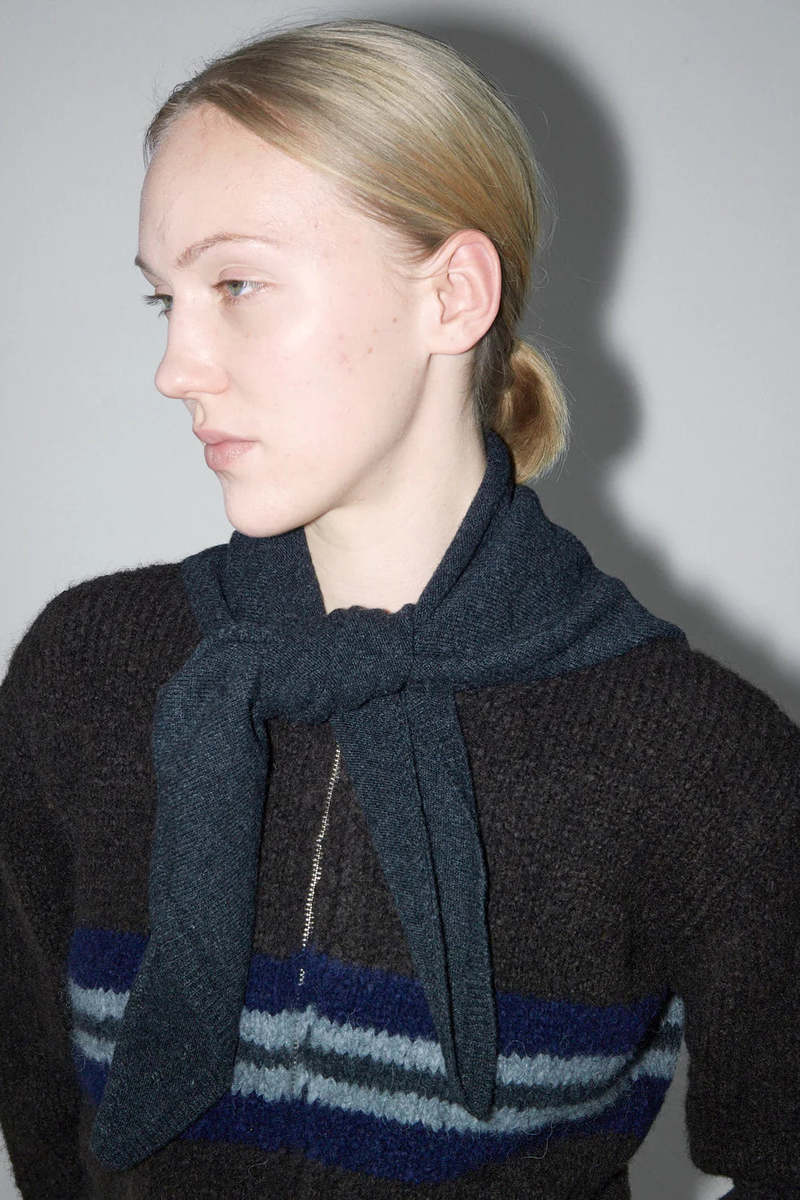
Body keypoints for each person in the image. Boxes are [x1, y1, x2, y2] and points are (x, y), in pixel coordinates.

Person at [0, 16, 797, 1200]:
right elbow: (40, 1103)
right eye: (165, 300)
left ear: (452, 295)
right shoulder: (87, 673)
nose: (175, 368)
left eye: (235, 284)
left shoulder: (694, 754)